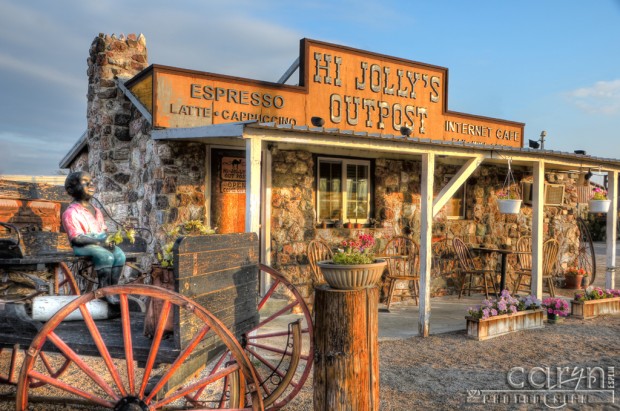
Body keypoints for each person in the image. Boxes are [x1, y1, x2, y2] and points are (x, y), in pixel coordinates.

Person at [62, 171, 125, 304]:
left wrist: (109, 240)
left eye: (91, 181)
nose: (91, 184)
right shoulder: (71, 212)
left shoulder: (96, 210)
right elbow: (76, 239)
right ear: (71, 189)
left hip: (100, 242)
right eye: (85, 182)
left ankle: (113, 289)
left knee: (119, 255)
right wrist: (99, 242)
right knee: (105, 256)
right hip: (83, 246)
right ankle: (103, 290)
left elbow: (103, 230)